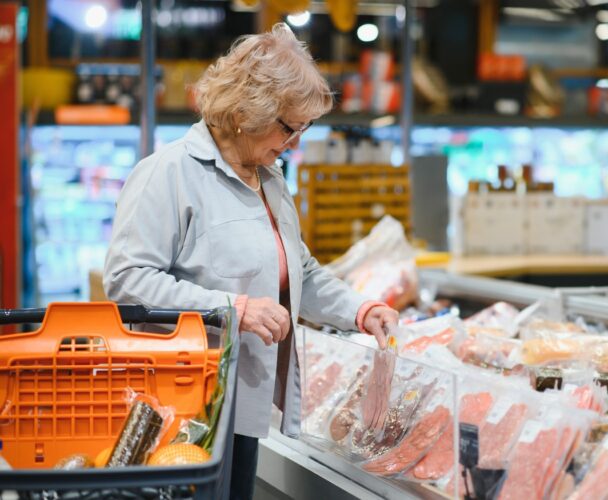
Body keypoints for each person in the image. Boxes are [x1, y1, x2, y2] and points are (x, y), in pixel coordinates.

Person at [103, 23, 399, 500]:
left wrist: (361, 310)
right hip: (187, 409)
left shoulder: (270, 179)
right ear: (245, 111)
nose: (295, 142)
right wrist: (234, 308)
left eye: (303, 129)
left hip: (246, 403)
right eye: (289, 127)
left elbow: (299, 271)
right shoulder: (170, 173)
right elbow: (127, 280)